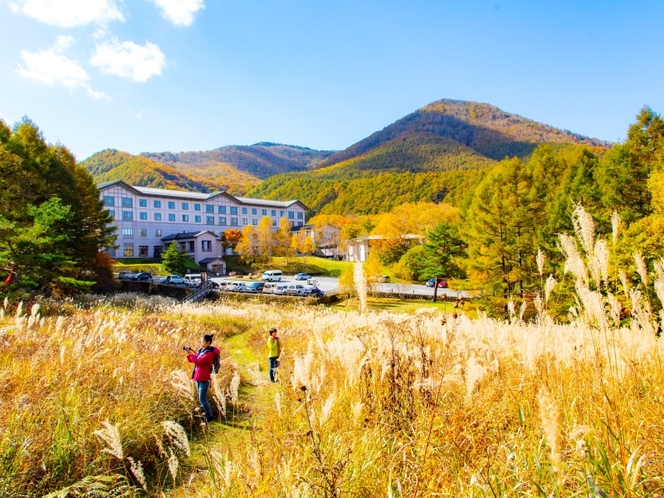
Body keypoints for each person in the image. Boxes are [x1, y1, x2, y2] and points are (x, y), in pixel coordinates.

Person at [185, 333, 219, 424]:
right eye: (201, 342)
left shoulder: (210, 354)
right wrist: (189, 354)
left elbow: (198, 361)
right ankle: (206, 415)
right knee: (201, 398)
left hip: (204, 377)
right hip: (198, 377)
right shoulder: (202, 350)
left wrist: (190, 354)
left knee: (202, 398)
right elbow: (194, 360)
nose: (201, 343)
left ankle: (210, 417)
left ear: (208, 342)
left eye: (203, 342)